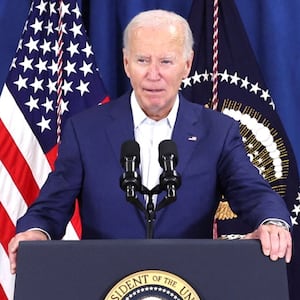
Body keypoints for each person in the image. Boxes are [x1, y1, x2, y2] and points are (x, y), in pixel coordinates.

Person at [8, 9, 292, 274]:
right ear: (126, 63)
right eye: (143, 60)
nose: (153, 74)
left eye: (166, 61)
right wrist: (35, 232)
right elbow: (51, 206)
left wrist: (272, 222)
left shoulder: (218, 130)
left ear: (187, 65)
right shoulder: (85, 130)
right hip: (105, 280)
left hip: (189, 280)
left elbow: (253, 192)